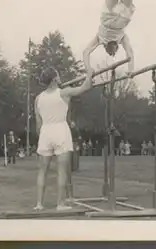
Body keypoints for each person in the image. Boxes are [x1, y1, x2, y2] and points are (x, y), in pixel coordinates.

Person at [34, 66, 93, 211]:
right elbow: (86, 86)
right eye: (59, 76)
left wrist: (41, 137)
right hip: (60, 129)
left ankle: (39, 204)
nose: (61, 78)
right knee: (62, 170)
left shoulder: (38, 98)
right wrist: (90, 74)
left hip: (45, 131)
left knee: (43, 170)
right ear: (55, 79)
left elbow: (38, 123)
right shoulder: (64, 93)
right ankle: (60, 204)